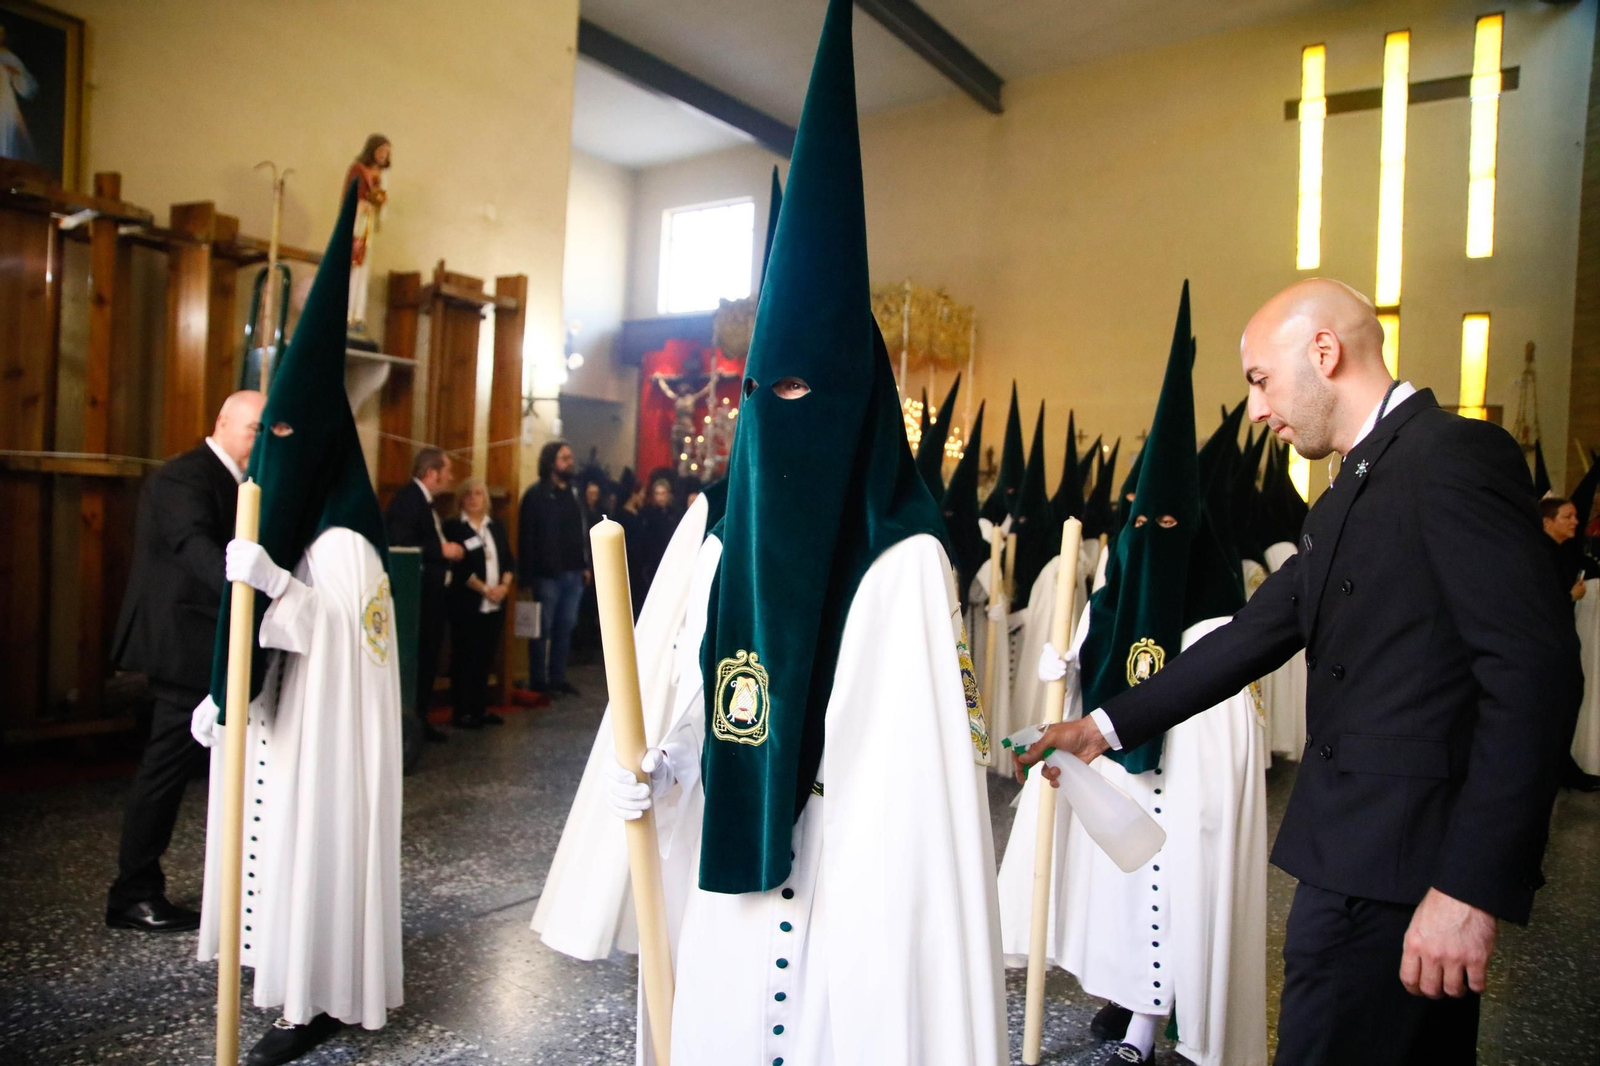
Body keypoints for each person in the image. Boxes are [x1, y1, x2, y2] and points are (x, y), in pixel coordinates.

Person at [551, 4, 1008, 1061]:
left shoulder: (904, 562)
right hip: (729, 900)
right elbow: (708, 705)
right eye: (758, 391)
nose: (772, 412)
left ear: (853, 401)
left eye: (798, 390)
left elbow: (911, 804)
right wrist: (662, 769)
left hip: (846, 919)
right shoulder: (718, 537)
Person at [1021, 277, 1582, 1065]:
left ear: (1324, 352)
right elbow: (1253, 634)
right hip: (1341, 854)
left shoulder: (1453, 455)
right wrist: (1101, 727)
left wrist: (1471, 888)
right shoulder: (1348, 488)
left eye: (1260, 379)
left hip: (1413, 869)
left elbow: (1533, 675)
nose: (1256, 408)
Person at [1001, 284, 1267, 1066]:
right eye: (1143, 525)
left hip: (1178, 791)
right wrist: (1062, 663)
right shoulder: (1112, 597)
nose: (1153, 540)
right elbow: (1087, 659)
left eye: (1171, 526)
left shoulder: (1215, 619)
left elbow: (1216, 715)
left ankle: (1151, 1029)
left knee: (1172, 900)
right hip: (1116, 779)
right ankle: (1123, 1001)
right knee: (1119, 898)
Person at [192, 184, 402, 1066]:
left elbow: (358, 651)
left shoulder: (347, 540)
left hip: (330, 747)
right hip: (289, 724)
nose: (271, 450)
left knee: (312, 856)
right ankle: (275, 971)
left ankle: (315, 997)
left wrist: (278, 582)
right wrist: (226, 693)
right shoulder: (302, 523)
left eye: (284, 433)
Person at [105, 389, 265, 933]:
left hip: (204, 639)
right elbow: (197, 551)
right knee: (165, 769)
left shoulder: (234, 480)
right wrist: (254, 594)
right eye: (253, 428)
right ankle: (133, 894)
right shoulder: (185, 476)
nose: (259, 439)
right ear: (222, 423)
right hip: (181, 644)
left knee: (181, 767)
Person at [385, 446, 461, 748]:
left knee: (430, 658)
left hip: (432, 595)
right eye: (447, 471)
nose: (451, 477)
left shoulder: (423, 502)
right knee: (420, 659)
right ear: (431, 473)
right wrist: (441, 550)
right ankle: (412, 723)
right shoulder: (408, 500)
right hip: (418, 597)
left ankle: (420, 720)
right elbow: (401, 542)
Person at [1539, 495, 1600, 792]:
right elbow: (1539, 603)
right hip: (1547, 646)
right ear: (1547, 522)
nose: (1576, 521)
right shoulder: (1541, 555)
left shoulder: (1559, 552)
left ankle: (1563, 767)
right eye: (1568, 516)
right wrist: (1571, 597)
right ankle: (1560, 770)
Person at [518, 440, 589, 697]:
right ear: (551, 463)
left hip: (573, 571)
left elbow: (581, 529)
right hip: (546, 574)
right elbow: (527, 537)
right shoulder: (536, 495)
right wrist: (526, 577)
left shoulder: (574, 493)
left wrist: (585, 564)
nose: (570, 462)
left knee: (565, 627)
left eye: (570, 457)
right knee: (542, 629)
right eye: (564, 458)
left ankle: (558, 678)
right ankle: (539, 679)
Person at [445, 479, 514, 729]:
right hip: (468, 602)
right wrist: (486, 589)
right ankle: (462, 711)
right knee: (465, 656)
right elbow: (459, 568)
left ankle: (479, 708)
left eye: (478, 494)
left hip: (495, 603)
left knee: (486, 656)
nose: (474, 499)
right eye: (468, 495)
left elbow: (508, 560)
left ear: (486, 499)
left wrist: (503, 587)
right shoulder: (454, 527)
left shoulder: (495, 526)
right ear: (461, 500)